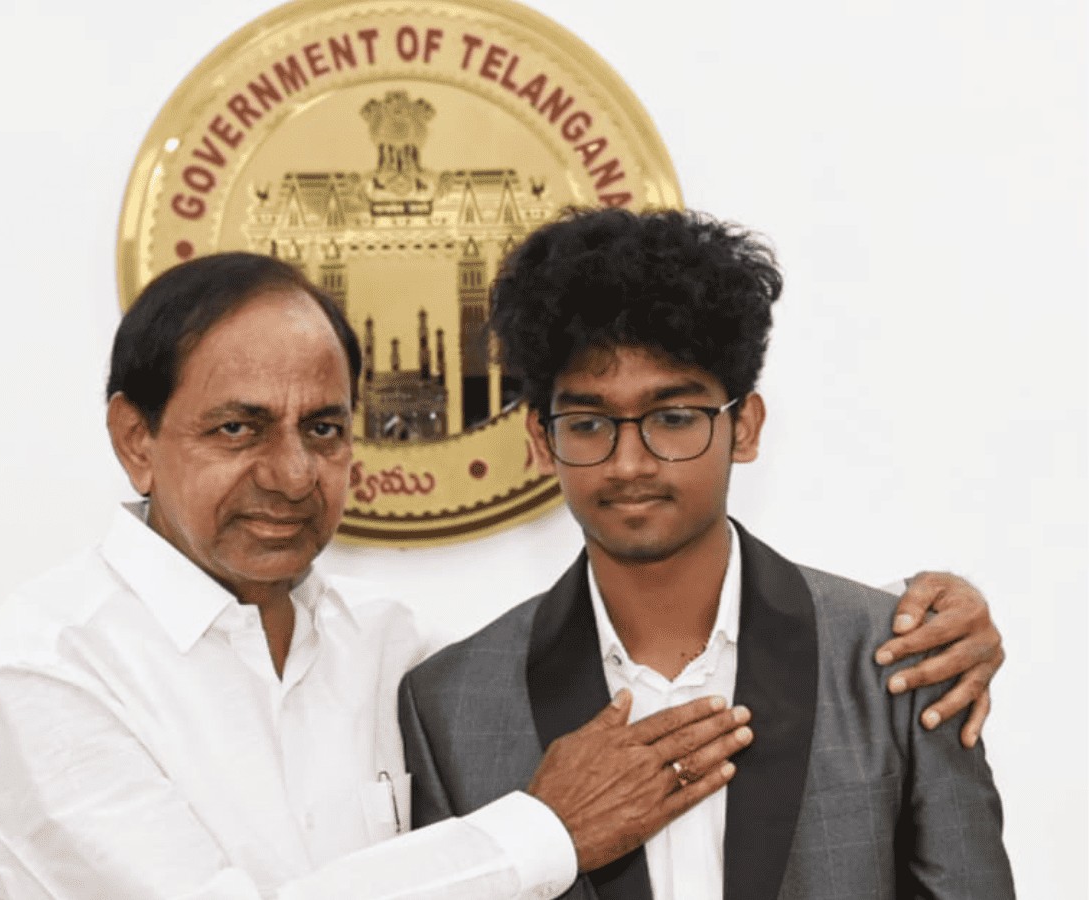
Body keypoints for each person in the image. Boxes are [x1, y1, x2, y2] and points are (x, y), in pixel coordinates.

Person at [0, 250, 1002, 898]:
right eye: (238, 428)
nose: (290, 474)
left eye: (325, 428)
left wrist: (934, 614)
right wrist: (544, 830)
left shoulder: (389, 656)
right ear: (135, 440)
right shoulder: (50, 668)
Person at [399, 208, 1014, 898]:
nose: (630, 463)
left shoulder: (898, 660)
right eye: (590, 423)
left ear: (744, 427)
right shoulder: (451, 705)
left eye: (672, 418)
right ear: (543, 443)